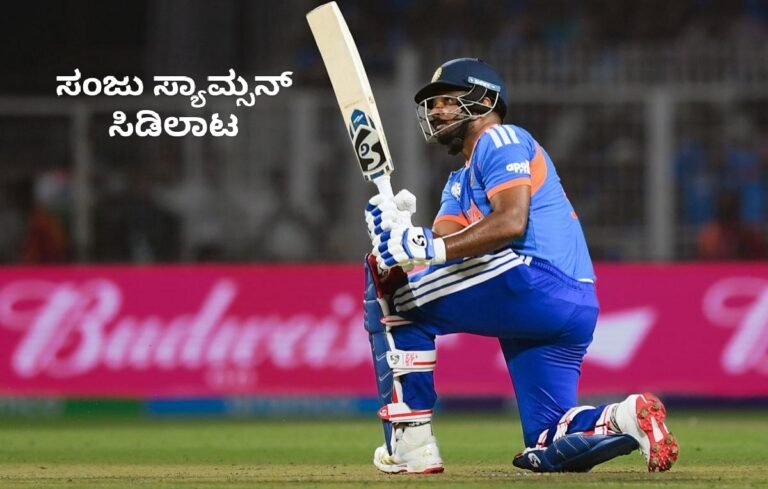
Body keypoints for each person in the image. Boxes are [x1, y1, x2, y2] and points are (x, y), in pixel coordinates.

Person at [362, 58, 679, 474]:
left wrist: (412, 253)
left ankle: (411, 445)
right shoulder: (458, 182)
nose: (436, 111)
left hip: (535, 278)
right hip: (570, 306)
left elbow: (511, 222)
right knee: (548, 437)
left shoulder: (500, 138)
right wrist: (400, 233)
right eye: (432, 104)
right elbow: (443, 248)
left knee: (390, 297)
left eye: (446, 100)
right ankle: (626, 416)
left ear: (484, 100)